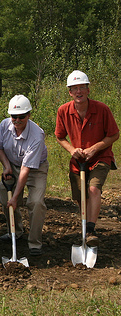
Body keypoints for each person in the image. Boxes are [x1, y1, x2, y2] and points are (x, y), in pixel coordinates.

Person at [55, 70, 119, 247]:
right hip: (78, 160)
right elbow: (60, 136)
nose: (78, 92)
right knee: (80, 196)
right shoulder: (63, 111)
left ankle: (90, 230)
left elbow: (114, 135)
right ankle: (86, 224)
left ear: (88, 90)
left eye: (82, 87)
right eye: (74, 88)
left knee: (93, 189)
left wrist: (94, 148)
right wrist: (71, 150)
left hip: (100, 157)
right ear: (70, 92)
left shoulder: (102, 109)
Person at [0, 95, 48, 256]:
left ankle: (35, 242)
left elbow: (26, 169)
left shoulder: (37, 136)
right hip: (13, 165)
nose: (17, 120)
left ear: (29, 115)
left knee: (36, 202)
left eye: (21, 116)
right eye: (13, 116)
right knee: (5, 198)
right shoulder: (4, 126)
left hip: (35, 168)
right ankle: (14, 232)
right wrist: (7, 166)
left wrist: (16, 197)